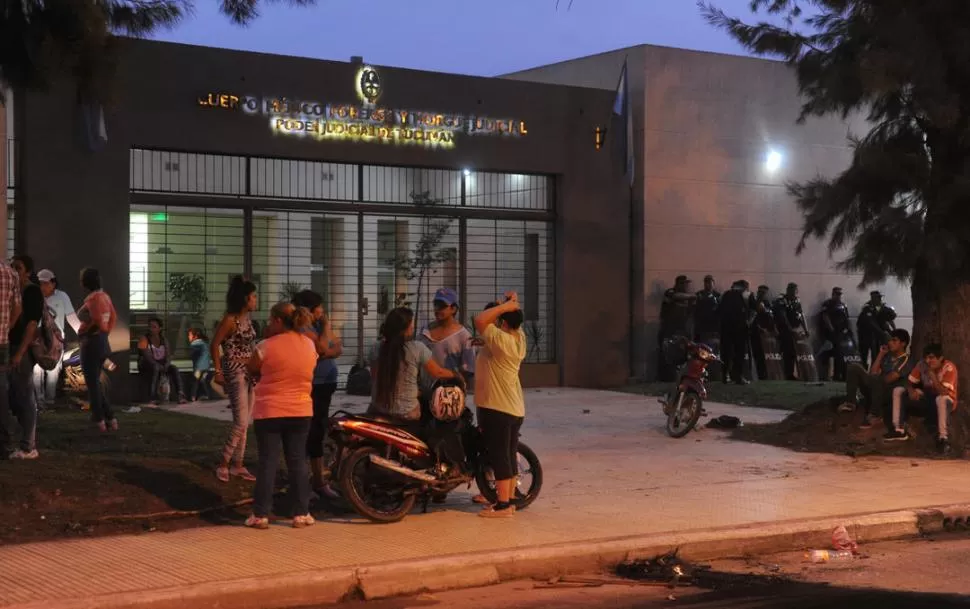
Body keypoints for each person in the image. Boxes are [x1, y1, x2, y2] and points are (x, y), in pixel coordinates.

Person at [244, 302, 318, 529]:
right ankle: (302, 513)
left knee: (268, 462)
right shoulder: (309, 345)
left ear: (277, 321)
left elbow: (252, 368)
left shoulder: (265, 346)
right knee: (297, 461)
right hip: (301, 410)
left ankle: (260, 515)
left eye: (270, 320)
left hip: (270, 411)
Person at [474, 293, 527, 518]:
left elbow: (479, 320)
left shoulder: (501, 339)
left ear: (503, 322)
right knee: (507, 453)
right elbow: (506, 321)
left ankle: (503, 505)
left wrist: (505, 305)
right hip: (513, 408)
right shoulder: (518, 338)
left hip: (497, 408)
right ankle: (510, 497)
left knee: (499, 456)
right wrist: (508, 304)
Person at [369, 307, 462, 423]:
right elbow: (437, 372)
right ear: (405, 329)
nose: (413, 327)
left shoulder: (375, 348)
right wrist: (455, 374)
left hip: (377, 411)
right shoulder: (416, 348)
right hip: (407, 414)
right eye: (411, 324)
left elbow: (374, 378)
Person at [291, 290, 343, 492]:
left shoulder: (318, 326)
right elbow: (322, 347)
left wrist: (326, 352)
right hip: (314, 384)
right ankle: (311, 481)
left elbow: (337, 348)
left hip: (327, 382)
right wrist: (327, 336)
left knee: (319, 429)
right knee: (311, 431)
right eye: (320, 307)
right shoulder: (303, 327)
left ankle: (317, 479)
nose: (323, 310)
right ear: (310, 309)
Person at [211, 276, 258, 483]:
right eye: (253, 296)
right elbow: (215, 344)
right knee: (240, 421)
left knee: (246, 421)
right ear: (245, 299)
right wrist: (218, 371)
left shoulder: (247, 319)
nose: (256, 300)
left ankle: (238, 464)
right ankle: (224, 462)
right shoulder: (230, 320)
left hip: (250, 371)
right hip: (235, 370)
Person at [886, 343, 959, 455]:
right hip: (928, 396)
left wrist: (933, 376)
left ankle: (943, 439)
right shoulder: (922, 365)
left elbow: (943, 392)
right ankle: (898, 430)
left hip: (946, 399)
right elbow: (908, 381)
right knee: (898, 390)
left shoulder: (949, 367)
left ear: (940, 358)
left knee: (941, 399)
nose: (928, 361)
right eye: (926, 358)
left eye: (932, 358)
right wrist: (911, 391)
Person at [837, 329, 912, 428]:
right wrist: (881, 354)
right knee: (854, 367)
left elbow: (889, 379)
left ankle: (875, 415)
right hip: (875, 388)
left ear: (903, 344)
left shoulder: (906, 359)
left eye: (894, 340)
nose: (890, 343)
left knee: (878, 379)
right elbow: (873, 372)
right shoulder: (887, 356)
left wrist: (875, 378)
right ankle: (851, 403)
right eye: (890, 340)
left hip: (889, 393)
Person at [6, 256, 43, 458]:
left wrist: (20, 353)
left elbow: (31, 325)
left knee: (25, 394)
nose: (14, 271)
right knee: (14, 395)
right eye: (12, 267)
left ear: (28, 272)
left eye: (18, 268)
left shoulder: (31, 291)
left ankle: (29, 445)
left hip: (22, 349)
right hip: (11, 346)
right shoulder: (14, 291)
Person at [76, 267, 118, 433]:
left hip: (91, 344)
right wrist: (105, 331)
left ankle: (99, 420)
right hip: (102, 343)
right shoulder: (105, 296)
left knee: (92, 385)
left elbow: (97, 319)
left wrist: (86, 331)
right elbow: (112, 317)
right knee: (95, 385)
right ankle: (110, 418)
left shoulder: (93, 299)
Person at [418, 287, 476, 394]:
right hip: (424, 393)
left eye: (442, 306)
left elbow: (468, 371)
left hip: (449, 396)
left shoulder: (464, 336)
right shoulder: (425, 331)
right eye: (435, 304)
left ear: (453, 309)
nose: (437, 309)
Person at [32, 269, 73, 407]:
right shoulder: (35, 296)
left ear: (53, 283)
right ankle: (39, 401)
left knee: (54, 371)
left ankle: (49, 400)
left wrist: (82, 333)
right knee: (37, 370)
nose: (42, 286)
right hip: (37, 339)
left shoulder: (62, 297)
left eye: (45, 283)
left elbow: (71, 317)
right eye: (40, 283)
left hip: (56, 340)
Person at [0, 260, 23, 459]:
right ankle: (6, 444)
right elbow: (17, 308)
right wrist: (6, 329)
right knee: (1, 393)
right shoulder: (10, 272)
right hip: (2, 342)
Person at [137, 317, 187, 405]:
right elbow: (147, 357)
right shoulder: (144, 339)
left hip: (161, 364)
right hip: (147, 364)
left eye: (154, 327)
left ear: (159, 329)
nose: (151, 329)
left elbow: (168, 355)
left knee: (174, 368)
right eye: (150, 326)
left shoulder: (164, 340)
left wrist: (167, 364)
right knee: (155, 368)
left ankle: (180, 394)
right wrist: (159, 366)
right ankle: (152, 397)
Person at [657, 276, 696, 381]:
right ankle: (666, 377)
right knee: (667, 354)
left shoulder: (688, 298)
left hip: (681, 330)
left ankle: (679, 376)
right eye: (684, 284)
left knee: (682, 355)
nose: (686, 286)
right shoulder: (670, 292)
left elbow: (690, 313)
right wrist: (692, 297)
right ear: (679, 284)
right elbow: (676, 296)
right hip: (668, 330)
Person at [773, 283, 808, 380]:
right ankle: (787, 374)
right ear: (788, 290)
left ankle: (796, 373)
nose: (794, 293)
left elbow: (801, 315)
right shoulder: (782, 301)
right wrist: (790, 329)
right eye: (793, 291)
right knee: (788, 351)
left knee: (794, 352)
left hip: (795, 330)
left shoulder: (797, 301)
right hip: (784, 330)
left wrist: (806, 329)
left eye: (796, 291)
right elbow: (783, 317)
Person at [718, 280, 750, 385]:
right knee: (737, 354)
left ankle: (726, 376)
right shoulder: (743, 295)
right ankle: (736, 376)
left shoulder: (726, 295)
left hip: (728, 329)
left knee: (727, 353)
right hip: (737, 329)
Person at [818, 287, 853, 382]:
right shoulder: (828, 304)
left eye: (840, 294)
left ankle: (838, 374)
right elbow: (825, 317)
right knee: (827, 354)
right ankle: (826, 375)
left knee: (840, 355)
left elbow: (847, 319)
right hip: (830, 334)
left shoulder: (843, 305)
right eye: (837, 294)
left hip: (841, 334)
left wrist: (848, 330)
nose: (838, 296)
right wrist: (832, 330)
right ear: (833, 294)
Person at [857, 291, 897, 368]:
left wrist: (894, 330)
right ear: (873, 298)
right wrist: (882, 333)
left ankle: (874, 371)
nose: (880, 299)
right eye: (878, 298)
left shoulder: (880, 307)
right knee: (864, 354)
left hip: (876, 334)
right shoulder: (867, 308)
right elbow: (871, 323)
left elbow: (889, 318)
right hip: (866, 334)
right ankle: (863, 370)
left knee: (876, 354)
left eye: (880, 298)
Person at [748, 285, 774, 380]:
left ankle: (765, 375)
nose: (761, 294)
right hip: (755, 334)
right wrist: (758, 327)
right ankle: (757, 375)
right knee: (757, 355)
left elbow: (771, 318)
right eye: (760, 292)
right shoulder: (753, 303)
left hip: (766, 335)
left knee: (765, 356)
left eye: (763, 293)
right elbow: (751, 318)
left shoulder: (768, 304)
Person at [693, 275, 720, 346]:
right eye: (706, 282)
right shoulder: (699, 294)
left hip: (713, 326)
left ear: (713, 284)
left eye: (710, 283)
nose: (708, 285)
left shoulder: (717, 296)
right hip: (700, 326)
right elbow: (694, 308)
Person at [188, 327, 213, 402]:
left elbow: (192, 355)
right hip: (206, 367)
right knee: (202, 380)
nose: (188, 337)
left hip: (199, 367)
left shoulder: (195, 343)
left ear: (195, 336)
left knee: (195, 381)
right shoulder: (204, 342)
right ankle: (206, 395)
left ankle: (193, 396)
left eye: (189, 335)